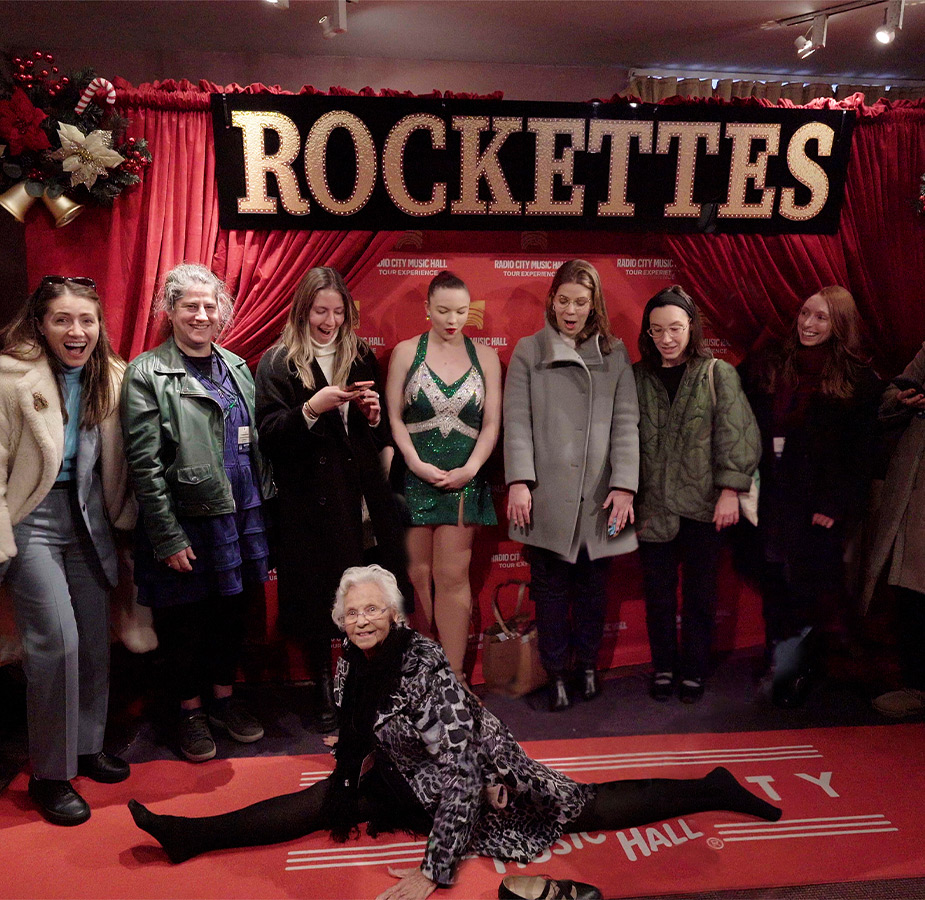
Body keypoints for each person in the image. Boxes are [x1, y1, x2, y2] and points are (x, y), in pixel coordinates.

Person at [128, 564, 782, 900]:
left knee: (591, 806)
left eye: (372, 610)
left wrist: (432, 873)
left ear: (394, 614)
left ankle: (709, 785)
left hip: (486, 780)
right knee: (325, 802)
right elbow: (356, 730)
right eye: (350, 611)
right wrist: (343, 775)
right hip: (408, 778)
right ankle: (191, 836)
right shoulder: (349, 664)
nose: (361, 620)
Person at [121, 263, 273, 761]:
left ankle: (223, 703)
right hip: (185, 518)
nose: (201, 315)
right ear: (170, 310)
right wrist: (166, 536)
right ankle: (187, 712)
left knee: (232, 616)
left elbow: (256, 448)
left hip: (240, 512)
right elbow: (144, 465)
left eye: (210, 306)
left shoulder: (238, 366)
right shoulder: (147, 371)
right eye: (190, 306)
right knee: (184, 624)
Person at [0, 275, 135, 825]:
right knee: (57, 641)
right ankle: (51, 774)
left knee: (94, 643)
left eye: (87, 320)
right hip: (30, 516)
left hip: (89, 518)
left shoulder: (115, 376)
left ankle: (86, 745)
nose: (76, 330)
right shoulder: (10, 379)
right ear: (40, 324)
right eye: (62, 319)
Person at [256, 266, 407, 732]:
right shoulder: (277, 361)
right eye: (321, 310)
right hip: (307, 502)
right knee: (317, 595)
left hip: (360, 496)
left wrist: (375, 414)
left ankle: (367, 679)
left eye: (338, 312)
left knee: (368, 589)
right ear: (303, 309)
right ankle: (324, 683)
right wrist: (311, 407)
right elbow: (269, 435)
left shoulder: (358, 354)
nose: (330, 321)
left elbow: (373, 428)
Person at [504, 259, 639, 711]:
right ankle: (556, 673)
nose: (571, 310)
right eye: (564, 300)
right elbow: (516, 421)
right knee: (552, 592)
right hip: (547, 495)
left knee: (593, 592)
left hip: (599, 498)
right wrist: (520, 481)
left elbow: (626, 423)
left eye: (581, 302)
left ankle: (586, 668)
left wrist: (624, 485)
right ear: (552, 300)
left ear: (593, 304)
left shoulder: (615, 353)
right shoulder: (528, 350)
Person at [741, 286, 879, 707]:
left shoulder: (859, 379)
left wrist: (833, 506)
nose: (808, 324)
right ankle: (779, 664)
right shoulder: (774, 364)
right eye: (805, 314)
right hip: (773, 497)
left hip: (820, 507)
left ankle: (792, 673)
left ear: (839, 325)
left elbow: (863, 454)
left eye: (820, 318)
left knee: (806, 591)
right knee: (775, 585)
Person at [634, 286, 760, 703]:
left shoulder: (716, 372)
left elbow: (738, 435)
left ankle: (693, 670)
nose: (666, 338)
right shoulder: (638, 376)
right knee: (657, 596)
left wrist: (730, 491)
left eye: (675, 328)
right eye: (657, 330)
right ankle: (664, 667)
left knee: (700, 595)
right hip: (652, 506)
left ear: (692, 327)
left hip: (705, 505)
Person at [385, 271, 501, 687]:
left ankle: (454, 679)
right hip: (414, 477)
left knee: (452, 577)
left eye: (461, 311)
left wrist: (471, 470)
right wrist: (414, 463)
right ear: (427, 309)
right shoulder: (404, 352)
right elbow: (393, 419)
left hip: (464, 479)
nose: (453, 319)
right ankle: (420, 674)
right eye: (443, 310)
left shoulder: (485, 357)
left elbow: (492, 425)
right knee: (416, 576)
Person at [860, 343, 925, 718]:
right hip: (916, 484)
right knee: (911, 586)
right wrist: (903, 398)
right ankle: (917, 685)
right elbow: (889, 396)